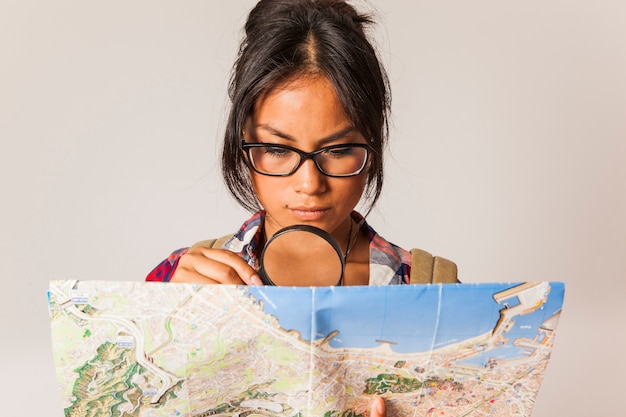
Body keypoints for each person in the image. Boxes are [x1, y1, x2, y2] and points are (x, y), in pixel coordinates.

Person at [147, 0, 456, 415]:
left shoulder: (432, 292)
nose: (310, 185)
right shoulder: (180, 285)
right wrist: (164, 331)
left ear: (374, 142)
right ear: (243, 142)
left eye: (340, 149)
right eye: (276, 148)